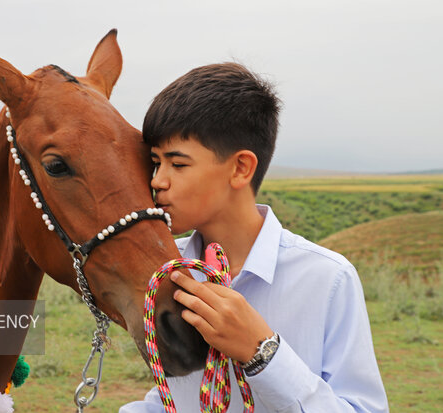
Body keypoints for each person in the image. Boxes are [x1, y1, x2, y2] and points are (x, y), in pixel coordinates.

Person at [120, 63, 388, 412]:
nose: (158, 180)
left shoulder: (327, 278)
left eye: (178, 164)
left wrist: (261, 352)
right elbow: (175, 397)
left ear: (241, 168)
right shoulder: (168, 272)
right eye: (156, 163)